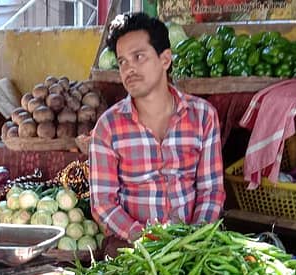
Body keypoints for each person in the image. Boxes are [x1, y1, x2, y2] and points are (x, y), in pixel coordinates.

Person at [89, 12, 225, 245]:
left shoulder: (203, 116)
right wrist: (144, 238)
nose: (129, 69)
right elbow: (103, 203)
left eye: (138, 57)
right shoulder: (108, 126)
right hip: (132, 247)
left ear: (165, 59)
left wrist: (193, 240)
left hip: (194, 243)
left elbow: (211, 192)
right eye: (122, 62)